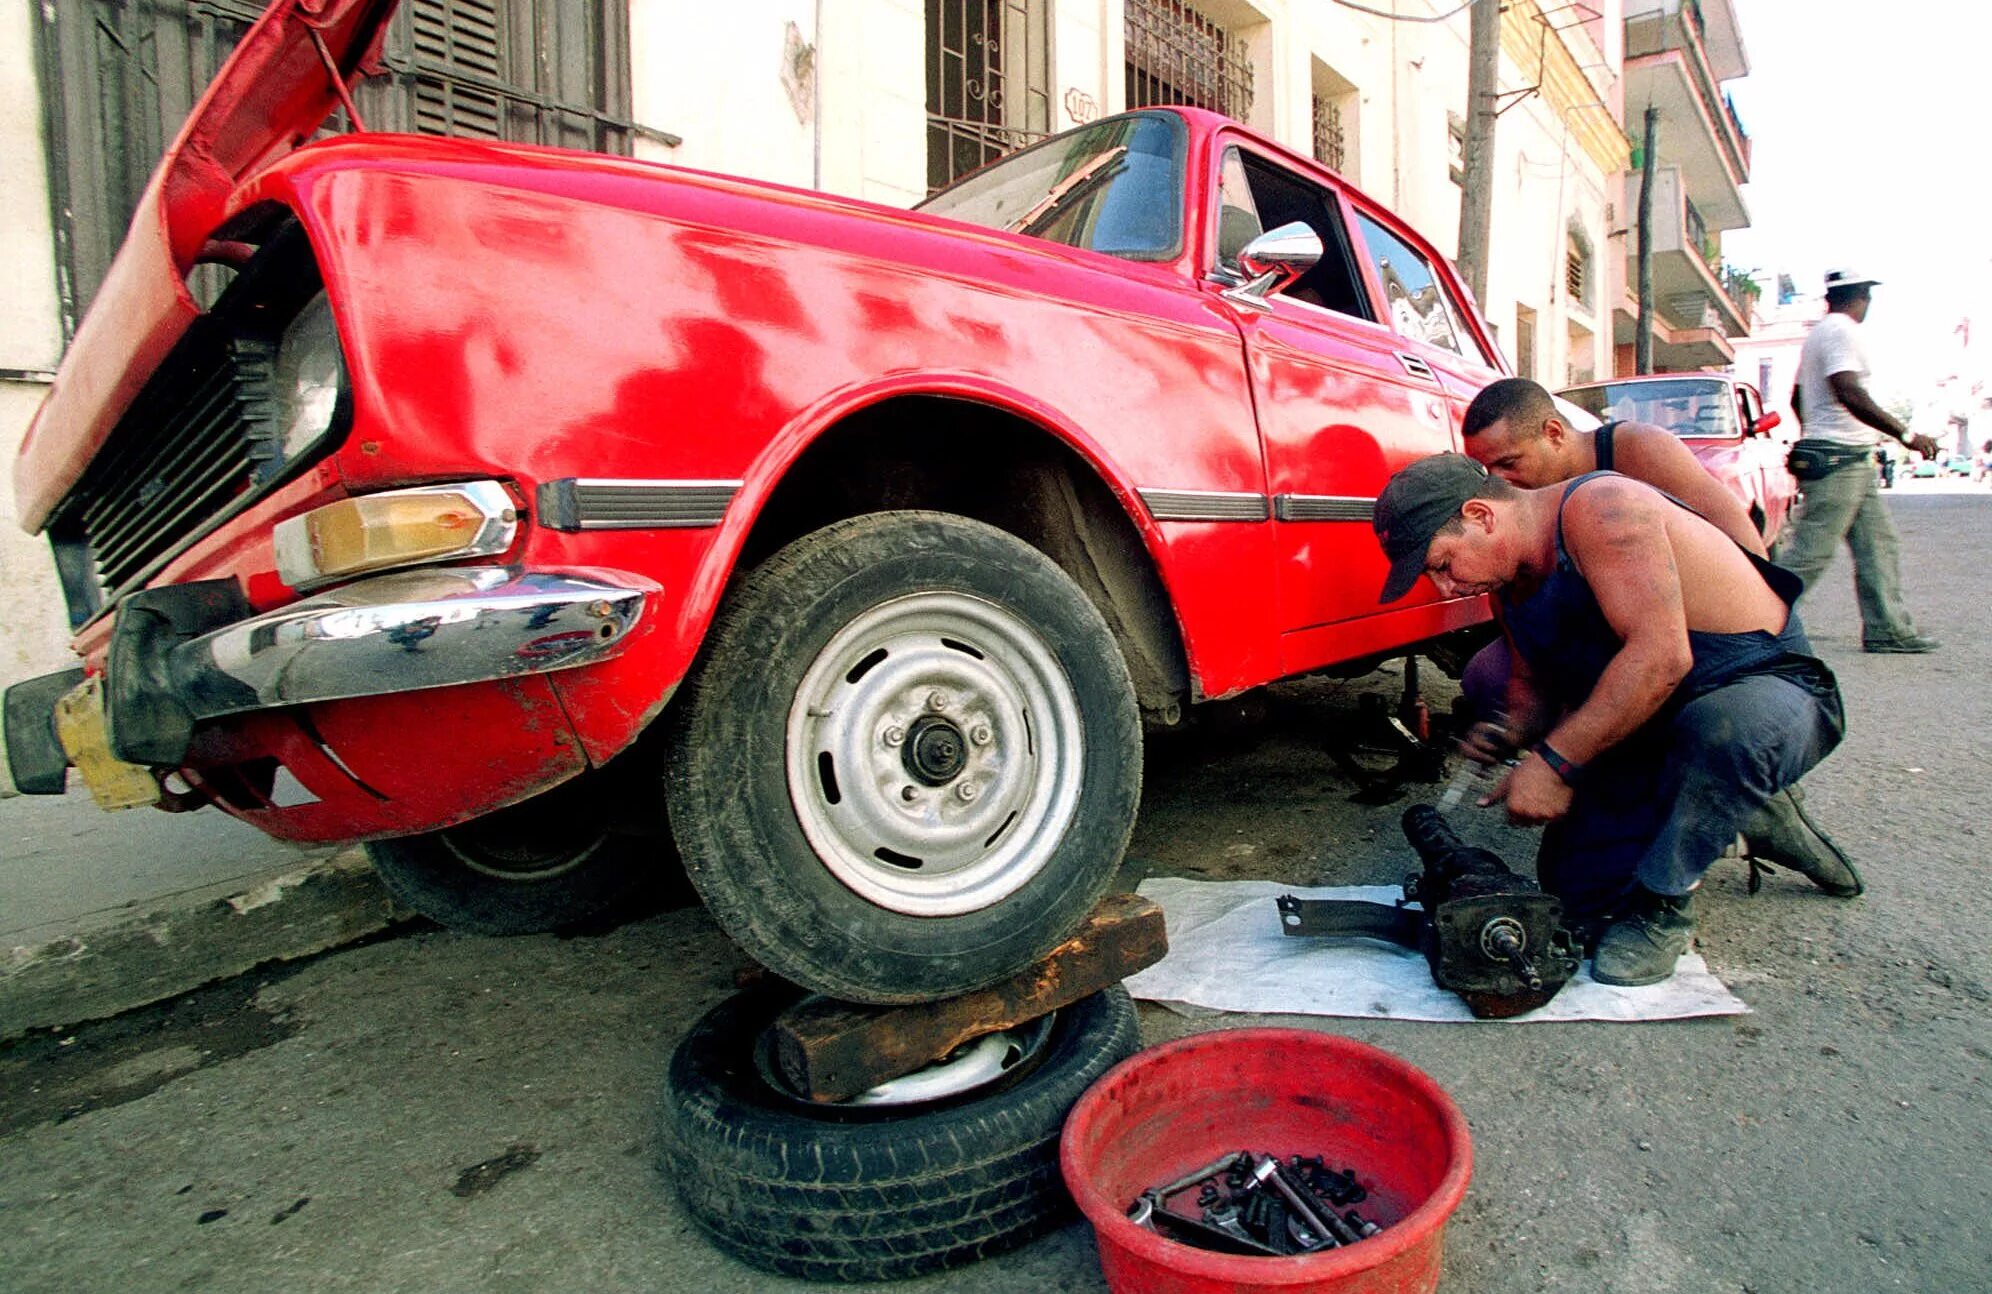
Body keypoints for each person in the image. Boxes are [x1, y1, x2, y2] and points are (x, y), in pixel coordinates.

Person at [1373, 454, 1851, 986]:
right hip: (1655, 717)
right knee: (1576, 893)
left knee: (1722, 733)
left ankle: (1667, 908)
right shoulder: (1512, 582)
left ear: (1482, 516)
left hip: (1764, 694)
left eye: (1442, 564)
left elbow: (1661, 658)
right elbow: (1535, 691)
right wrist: (1509, 730)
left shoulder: (1602, 509)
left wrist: (1553, 763)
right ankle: (1742, 810)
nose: (1444, 588)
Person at [1456, 378, 1854, 899]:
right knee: (1490, 674)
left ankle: (1741, 805)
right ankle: (1644, 787)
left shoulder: (1631, 454)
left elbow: (1736, 538)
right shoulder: (1528, 515)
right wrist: (1520, 729)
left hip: (1701, 641)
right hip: (1622, 636)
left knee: (1715, 723)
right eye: (1486, 471)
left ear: (1554, 433)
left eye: (1508, 464)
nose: (1499, 480)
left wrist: (1738, 623)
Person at [1778, 269, 1941, 653]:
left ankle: (1889, 629)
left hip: (1846, 454)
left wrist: (1814, 431)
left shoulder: (1820, 333)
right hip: (1840, 457)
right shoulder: (1841, 331)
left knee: (1879, 546)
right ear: (1862, 297)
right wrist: (1907, 435)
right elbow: (1848, 389)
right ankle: (1746, 625)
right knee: (1809, 553)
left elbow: (1796, 397)